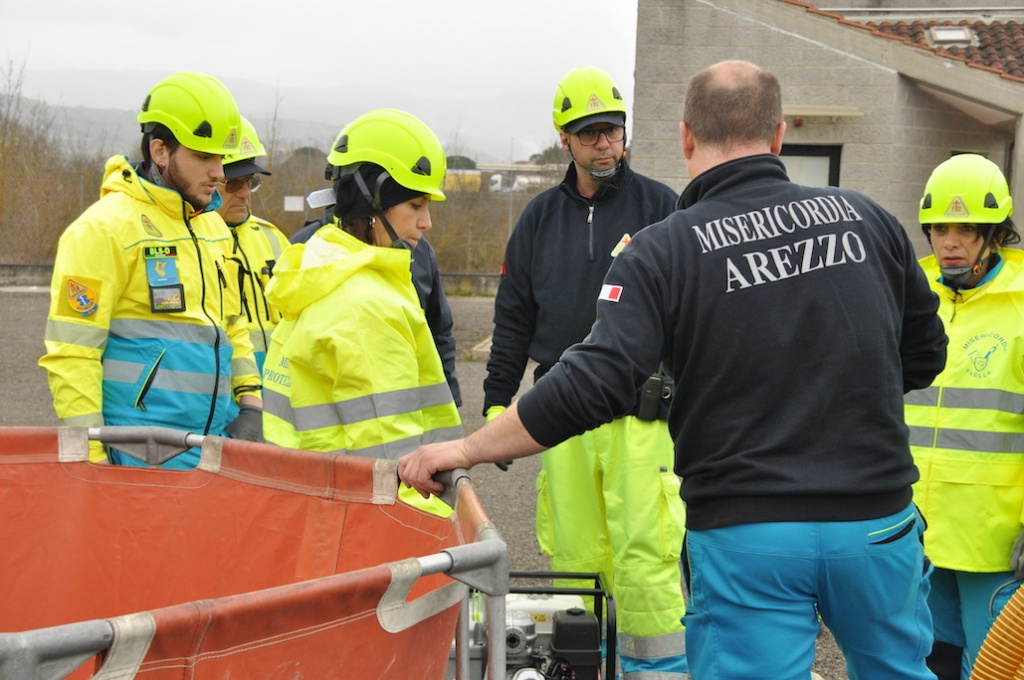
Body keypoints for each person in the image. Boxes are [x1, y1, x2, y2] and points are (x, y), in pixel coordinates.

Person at [400, 59, 948, 679]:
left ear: (686, 137)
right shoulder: (868, 219)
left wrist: (470, 447)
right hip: (875, 524)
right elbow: (925, 353)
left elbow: (591, 381)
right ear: (779, 135)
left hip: (750, 534)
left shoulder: (664, 246)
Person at [482, 65, 687, 678]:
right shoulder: (539, 219)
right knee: (575, 554)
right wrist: (498, 403)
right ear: (564, 139)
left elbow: (695, 309)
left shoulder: (663, 207)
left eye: (613, 131)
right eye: (591, 132)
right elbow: (513, 316)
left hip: (640, 412)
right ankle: (582, 665)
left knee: (646, 557)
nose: (605, 142)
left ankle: (655, 672)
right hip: (563, 414)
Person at [39, 71, 264, 468]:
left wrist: (251, 403)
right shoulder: (103, 229)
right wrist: (90, 463)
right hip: (140, 453)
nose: (220, 173)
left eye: (221, 158)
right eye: (203, 157)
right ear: (160, 150)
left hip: (214, 445)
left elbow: (232, 324)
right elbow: (73, 354)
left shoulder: (212, 226)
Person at [261, 108, 462, 460]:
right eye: (416, 204)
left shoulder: (320, 266)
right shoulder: (366, 306)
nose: (427, 221)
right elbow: (391, 460)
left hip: (316, 492)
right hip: (371, 505)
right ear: (373, 201)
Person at [907, 153, 1024, 679]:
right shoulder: (908, 294)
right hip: (913, 531)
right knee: (925, 663)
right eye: (939, 229)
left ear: (995, 234)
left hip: (994, 540)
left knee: (994, 669)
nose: (949, 242)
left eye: (967, 230)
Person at [290, 203, 462, 407]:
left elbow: (438, 330)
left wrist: (448, 398)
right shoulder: (306, 245)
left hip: (403, 409)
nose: (427, 223)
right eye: (415, 205)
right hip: (333, 416)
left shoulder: (420, 250)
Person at [215, 116, 290, 375]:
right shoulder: (193, 243)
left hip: (279, 390)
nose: (245, 193)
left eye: (251, 182)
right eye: (234, 183)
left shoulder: (272, 237)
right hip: (226, 393)